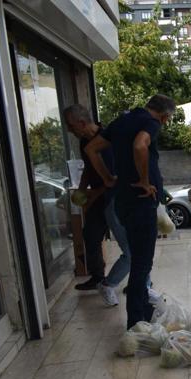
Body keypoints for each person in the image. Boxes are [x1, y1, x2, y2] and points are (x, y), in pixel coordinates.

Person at [84, 94, 175, 329]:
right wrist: (144, 180)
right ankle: (137, 321)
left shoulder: (122, 120)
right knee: (142, 263)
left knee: (137, 259)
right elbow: (140, 145)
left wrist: (108, 178)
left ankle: (143, 310)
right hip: (140, 201)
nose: (164, 123)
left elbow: (92, 148)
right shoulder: (150, 123)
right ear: (164, 116)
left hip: (123, 201)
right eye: (167, 119)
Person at [63, 105, 109, 292]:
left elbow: (114, 177)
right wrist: (81, 191)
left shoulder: (108, 139)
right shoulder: (83, 142)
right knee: (90, 235)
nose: (69, 130)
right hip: (97, 195)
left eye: (70, 125)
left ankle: (141, 281)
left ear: (82, 123)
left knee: (127, 240)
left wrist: (92, 197)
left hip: (114, 195)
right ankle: (97, 277)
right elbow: (88, 169)